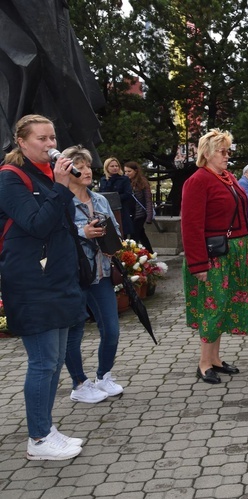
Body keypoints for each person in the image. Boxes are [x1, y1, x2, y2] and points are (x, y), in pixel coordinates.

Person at [0, 114, 87, 460]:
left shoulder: (48, 174)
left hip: (59, 279)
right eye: (42, 139)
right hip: (31, 283)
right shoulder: (10, 178)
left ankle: (46, 428)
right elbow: (37, 224)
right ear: (21, 142)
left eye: (53, 137)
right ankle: (37, 440)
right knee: (43, 361)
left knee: (54, 361)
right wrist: (62, 188)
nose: (51, 145)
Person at [181, 129, 248, 384]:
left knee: (223, 305)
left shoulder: (227, 177)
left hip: (234, 251)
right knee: (212, 306)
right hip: (214, 255)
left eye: (228, 151)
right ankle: (204, 362)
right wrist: (198, 263)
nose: (227, 156)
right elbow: (191, 226)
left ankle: (214, 358)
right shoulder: (198, 181)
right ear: (207, 153)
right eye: (222, 151)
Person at [62, 146, 124, 404]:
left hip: (100, 272)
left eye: (88, 166)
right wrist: (82, 232)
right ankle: (79, 384)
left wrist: (113, 243)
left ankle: (103, 376)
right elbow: (53, 236)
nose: (87, 170)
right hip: (73, 275)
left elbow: (116, 230)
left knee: (111, 328)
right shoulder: (60, 201)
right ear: (68, 170)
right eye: (80, 166)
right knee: (73, 333)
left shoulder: (100, 200)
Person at [99, 157, 134, 238]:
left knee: (122, 234)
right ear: (107, 167)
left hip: (120, 210)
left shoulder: (124, 179)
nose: (115, 168)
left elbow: (128, 194)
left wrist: (113, 198)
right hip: (106, 210)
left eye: (116, 166)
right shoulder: (103, 180)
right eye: (112, 166)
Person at [123, 161, 154, 253]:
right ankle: (150, 252)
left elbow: (148, 200)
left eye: (129, 171)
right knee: (141, 234)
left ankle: (132, 255)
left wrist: (149, 216)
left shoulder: (142, 182)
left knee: (135, 235)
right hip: (130, 213)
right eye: (125, 171)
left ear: (135, 171)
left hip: (140, 213)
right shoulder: (125, 182)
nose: (127, 174)